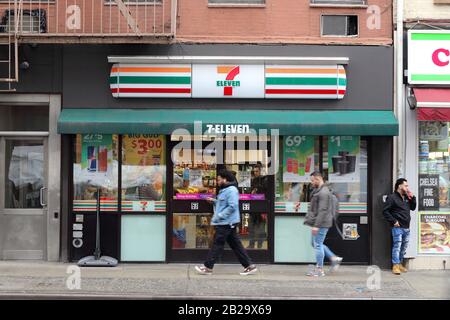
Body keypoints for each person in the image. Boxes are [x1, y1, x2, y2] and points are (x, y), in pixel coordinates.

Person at [195, 169, 258, 276]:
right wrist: (214, 201)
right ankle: (249, 266)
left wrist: (220, 215)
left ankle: (207, 267)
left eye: (219, 180)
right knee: (236, 245)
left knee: (217, 244)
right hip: (228, 222)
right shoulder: (225, 190)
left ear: (225, 179)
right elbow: (224, 203)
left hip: (226, 222)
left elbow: (232, 206)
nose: (218, 182)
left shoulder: (231, 190)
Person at [303, 171, 343, 277]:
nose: (311, 183)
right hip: (320, 222)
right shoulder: (319, 190)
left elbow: (323, 210)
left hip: (321, 223)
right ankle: (334, 258)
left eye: (312, 180)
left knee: (317, 244)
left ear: (318, 178)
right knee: (315, 243)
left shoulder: (324, 192)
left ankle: (319, 269)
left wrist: (316, 226)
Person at [383, 178, 416, 275]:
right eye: (405, 185)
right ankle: (395, 266)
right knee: (397, 246)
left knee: (403, 247)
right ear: (399, 186)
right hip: (397, 227)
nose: (407, 187)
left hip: (406, 227)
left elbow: (413, 208)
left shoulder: (406, 197)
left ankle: (400, 263)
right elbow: (385, 211)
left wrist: (412, 197)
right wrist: (394, 221)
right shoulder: (392, 197)